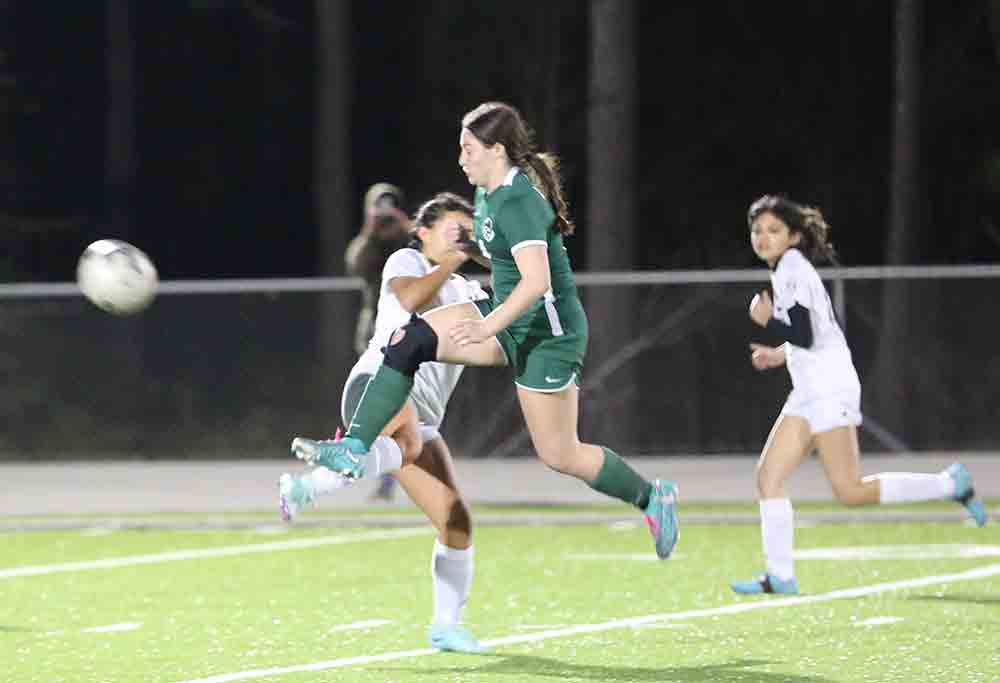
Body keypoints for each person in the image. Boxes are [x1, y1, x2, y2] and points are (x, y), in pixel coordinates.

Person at [290, 101, 680, 561]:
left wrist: (488, 325)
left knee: (561, 454)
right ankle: (354, 447)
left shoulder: (517, 201)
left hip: (546, 336)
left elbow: (537, 283)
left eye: (468, 149)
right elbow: (503, 261)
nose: (461, 159)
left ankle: (653, 498)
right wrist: (473, 254)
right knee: (408, 339)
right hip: (508, 316)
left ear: (496, 150)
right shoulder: (486, 194)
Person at [732, 194, 988, 596]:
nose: (763, 237)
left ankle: (948, 485)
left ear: (794, 236)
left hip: (830, 388)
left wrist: (768, 323)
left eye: (773, 230)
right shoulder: (786, 270)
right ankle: (780, 576)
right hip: (809, 390)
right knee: (769, 477)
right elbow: (813, 334)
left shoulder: (793, 268)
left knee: (850, 491)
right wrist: (779, 355)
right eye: (757, 230)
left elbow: (805, 333)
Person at [280, 192, 489, 653]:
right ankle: (318, 480)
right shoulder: (406, 260)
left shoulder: (471, 289)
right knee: (408, 441)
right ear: (424, 232)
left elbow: (512, 304)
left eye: (467, 232)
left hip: (426, 417)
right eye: (454, 229)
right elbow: (413, 299)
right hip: (379, 386)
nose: (462, 238)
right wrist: (454, 259)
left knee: (456, 522)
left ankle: (446, 627)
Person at [345, 182, 411, 502]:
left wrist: (406, 226)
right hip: (375, 333)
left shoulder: (411, 239)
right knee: (380, 410)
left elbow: (432, 260)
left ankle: (403, 475)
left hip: (410, 333)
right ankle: (387, 476)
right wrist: (371, 232)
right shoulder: (367, 245)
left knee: (408, 411)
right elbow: (354, 265)